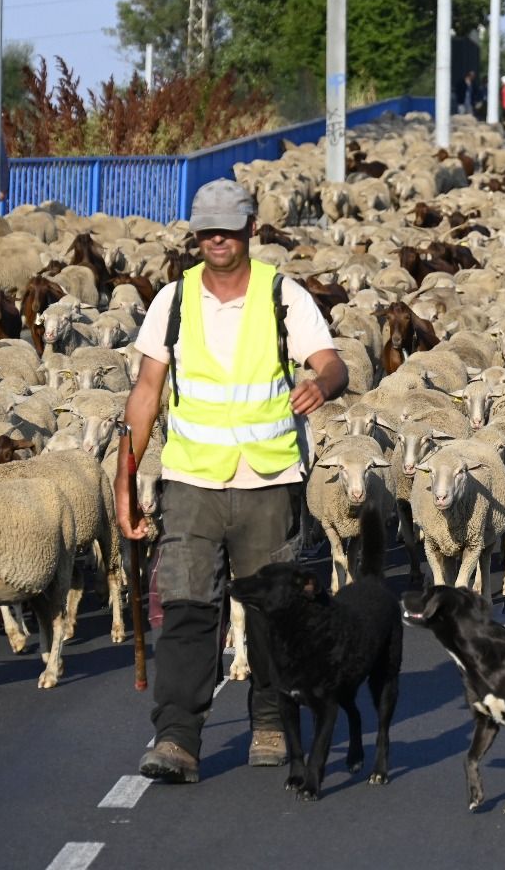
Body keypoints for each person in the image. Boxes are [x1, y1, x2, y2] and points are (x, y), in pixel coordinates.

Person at [120, 179, 349, 785]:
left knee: (273, 611)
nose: (217, 238)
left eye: (228, 226)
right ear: (195, 235)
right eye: (206, 229)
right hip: (192, 481)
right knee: (188, 606)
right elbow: (146, 392)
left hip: (268, 479)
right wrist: (125, 482)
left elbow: (330, 361)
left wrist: (322, 384)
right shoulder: (172, 300)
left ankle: (271, 718)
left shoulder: (283, 296)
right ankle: (177, 736)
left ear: (251, 226)